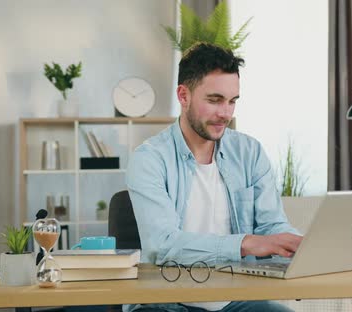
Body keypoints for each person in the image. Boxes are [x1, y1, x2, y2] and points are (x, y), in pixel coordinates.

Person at [126, 42, 302, 312]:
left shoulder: (250, 152)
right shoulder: (149, 159)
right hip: (165, 302)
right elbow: (163, 245)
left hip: (236, 301)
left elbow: (272, 227)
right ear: (183, 96)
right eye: (214, 100)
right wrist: (245, 243)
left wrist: (304, 245)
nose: (226, 114)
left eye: (232, 101)